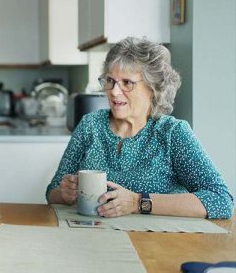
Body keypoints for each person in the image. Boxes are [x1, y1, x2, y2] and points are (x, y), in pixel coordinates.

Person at [46, 37, 233, 219]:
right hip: (95, 238)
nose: (114, 91)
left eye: (127, 83)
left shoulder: (172, 133)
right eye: (110, 80)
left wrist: (138, 202)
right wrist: (64, 193)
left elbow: (220, 200)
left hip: (157, 244)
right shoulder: (90, 125)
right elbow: (52, 192)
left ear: (153, 88)